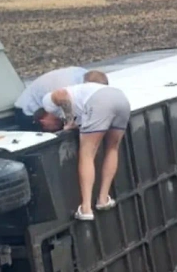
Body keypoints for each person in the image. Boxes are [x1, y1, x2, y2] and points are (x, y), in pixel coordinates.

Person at [41, 81, 131, 220]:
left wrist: (69, 121)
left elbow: (61, 94)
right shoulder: (79, 98)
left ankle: (86, 208)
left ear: (44, 117)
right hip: (121, 99)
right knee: (112, 148)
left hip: (99, 101)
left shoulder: (47, 102)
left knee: (87, 154)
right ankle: (103, 199)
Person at [14, 67, 107, 131]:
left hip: (49, 100)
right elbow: (68, 113)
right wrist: (70, 122)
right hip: (28, 111)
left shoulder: (87, 74)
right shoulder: (67, 87)